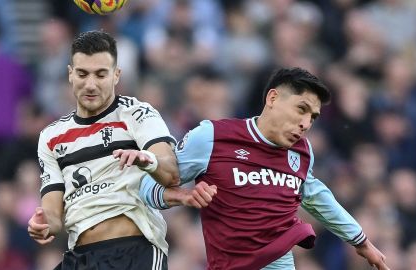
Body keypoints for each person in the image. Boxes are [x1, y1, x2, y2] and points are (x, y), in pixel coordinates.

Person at [140, 67, 390, 270]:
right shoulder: (212, 137)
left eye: (313, 117)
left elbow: (317, 196)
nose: (305, 124)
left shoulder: (302, 152)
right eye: (301, 109)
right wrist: (182, 196)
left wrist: (362, 242)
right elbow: (148, 188)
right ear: (272, 98)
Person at [27, 30, 181, 270]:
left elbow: (171, 173)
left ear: (116, 75)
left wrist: (147, 161)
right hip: (80, 257)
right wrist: (45, 224)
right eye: (82, 74)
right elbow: (54, 212)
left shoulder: (137, 113)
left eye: (100, 74)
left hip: (134, 252)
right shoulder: (50, 137)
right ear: (70, 74)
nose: (90, 84)